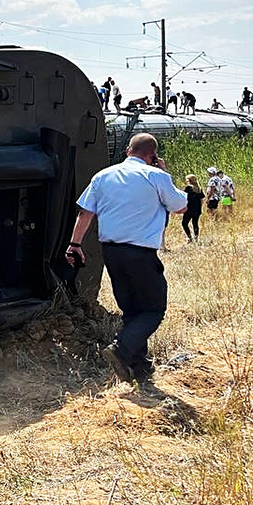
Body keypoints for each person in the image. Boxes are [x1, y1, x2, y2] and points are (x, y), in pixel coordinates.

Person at [66, 133, 186, 384]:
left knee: (132, 308)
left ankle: (138, 366)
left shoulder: (103, 176)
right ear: (152, 156)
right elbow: (180, 207)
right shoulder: (156, 176)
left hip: (111, 252)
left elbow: (85, 213)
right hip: (141, 253)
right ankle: (120, 349)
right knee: (154, 309)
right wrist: (165, 174)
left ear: (128, 151)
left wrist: (75, 244)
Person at [182, 175, 205, 242]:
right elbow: (202, 199)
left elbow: (184, 198)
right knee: (195, 223)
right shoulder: (199, 189)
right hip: (197, 209)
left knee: (184, 223)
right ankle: (196, 238)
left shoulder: (188, 188)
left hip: (189, 209)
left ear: (189, 181)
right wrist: (199, 207)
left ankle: (189, 238)